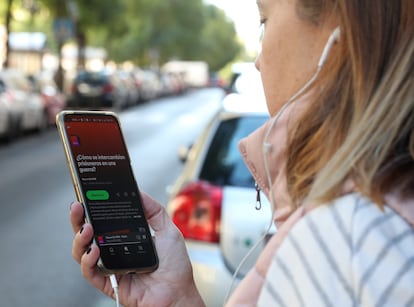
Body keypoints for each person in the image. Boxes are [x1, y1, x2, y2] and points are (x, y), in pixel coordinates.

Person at [70, 0, 414, 306]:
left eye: (264, 21)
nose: (258, 61)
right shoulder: (374, 222)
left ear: (337, 35)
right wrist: (176, 300)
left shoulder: (343, 241)